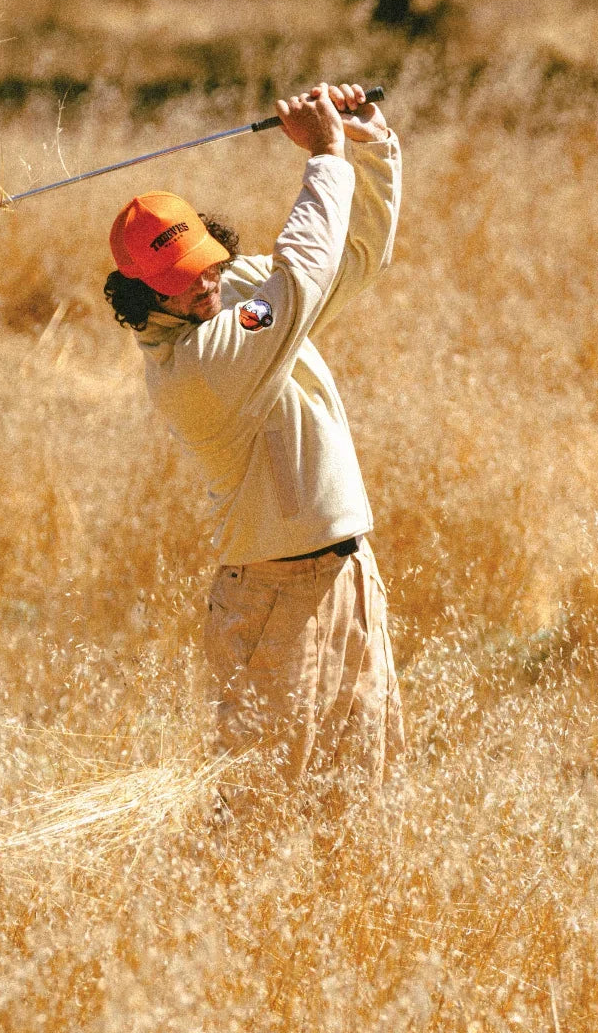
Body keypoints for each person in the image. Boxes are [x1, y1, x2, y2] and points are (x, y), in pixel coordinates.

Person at [104, 82, 402, 797]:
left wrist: (369, 144)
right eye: (178, 282)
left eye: (204, 261)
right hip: (273, 600)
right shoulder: (194, 370)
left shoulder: (232, 286)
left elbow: (353, 256)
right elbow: (301, 274)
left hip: (347, 574)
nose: (203, 285)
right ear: (141, 295)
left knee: (360, 801)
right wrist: (324, 156)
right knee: (259, 819)